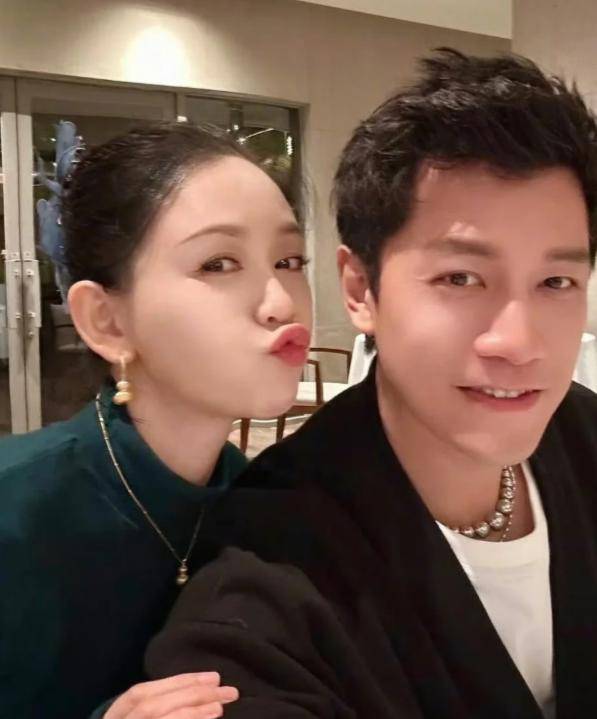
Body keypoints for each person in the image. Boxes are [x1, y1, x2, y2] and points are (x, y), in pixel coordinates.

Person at [146, 49, 597, 718]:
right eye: (460, 278)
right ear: (360, 288)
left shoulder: (583, 436)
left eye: (556, 282)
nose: (518, 341)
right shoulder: (270, 576)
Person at [0, 121, 312, 719]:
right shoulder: (17, 511)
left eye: (290, 259)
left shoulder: (267, 508)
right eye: (218, 263)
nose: (281, 302)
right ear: (107, 322)